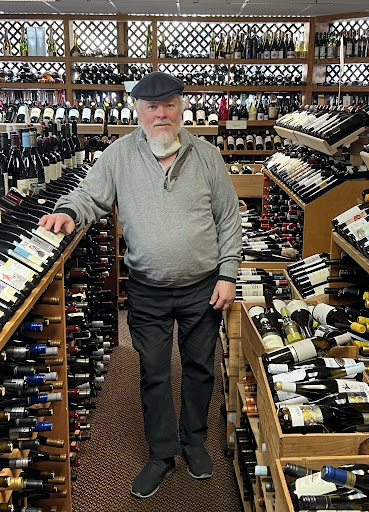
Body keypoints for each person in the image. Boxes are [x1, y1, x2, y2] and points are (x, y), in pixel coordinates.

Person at [39, 71, 242, 499]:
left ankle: (194, 442)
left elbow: (228, 219)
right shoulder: (117, 156)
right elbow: (87, 196)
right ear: (138, 111)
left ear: (182, 107)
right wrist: (66, 212)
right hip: (147, 289)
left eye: (169, 104)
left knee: (200, 368)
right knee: (152, 372)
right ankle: (162, 453)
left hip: (202, 287)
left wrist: (227, 274)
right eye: (152, 107)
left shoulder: (207, 155)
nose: (162, 114)